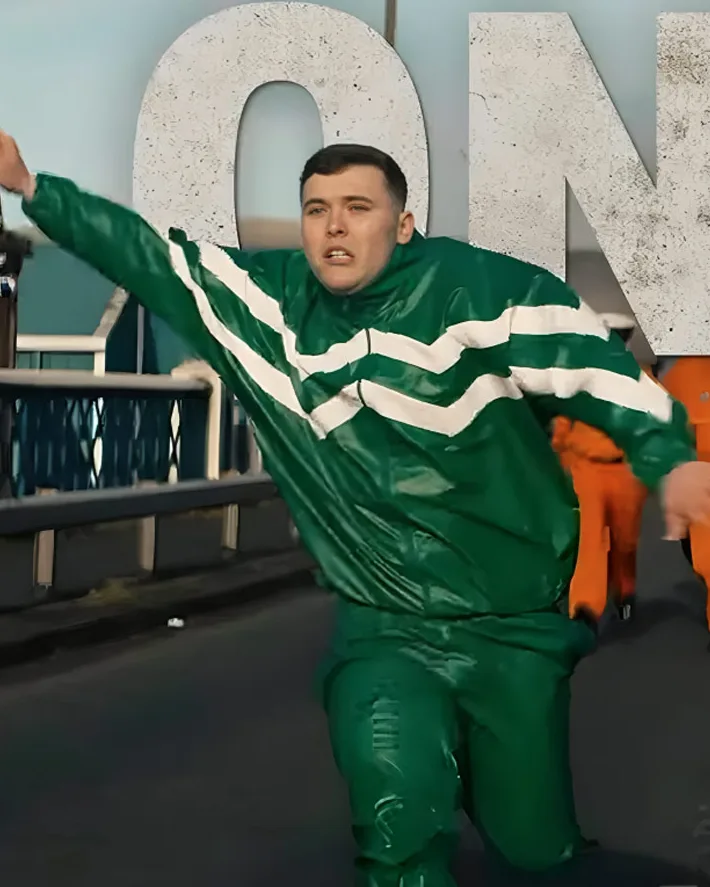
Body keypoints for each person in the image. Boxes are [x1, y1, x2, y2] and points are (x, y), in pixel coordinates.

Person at [1, 132, 709, 885]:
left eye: (356, 207)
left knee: (535, 849)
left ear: (403, 225)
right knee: (400, 823)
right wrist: (30, 185)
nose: (334, 226)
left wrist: (671, 457)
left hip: (513, 626)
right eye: (316, 210)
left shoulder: (487, 296)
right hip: (386, 624)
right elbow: (148, 256)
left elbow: (597, 369)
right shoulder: (266, 306)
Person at [551, 312, 654, 625]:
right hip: (587, 471)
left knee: (625, 541)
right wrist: (561, 469)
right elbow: (562, 426)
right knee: (590, 541)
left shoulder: (643, 379)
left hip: (627, 473)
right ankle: (585, 608)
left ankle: (625, 592)